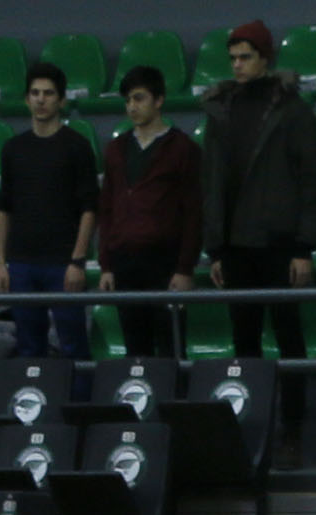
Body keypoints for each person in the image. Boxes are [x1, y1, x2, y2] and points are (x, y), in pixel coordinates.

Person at [199, 22, 316, 399]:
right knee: (244, 345)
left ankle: (291, 428)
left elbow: (311, 183)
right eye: (233, 58)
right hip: (236, 246)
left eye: (245, 57)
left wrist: (304, 247)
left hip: (280, 244)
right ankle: (251, 425)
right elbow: (211, 183)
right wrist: (216, 248)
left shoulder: (293, 112)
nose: (237, 65)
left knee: (289, 339)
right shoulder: (220, 111)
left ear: (265, 59)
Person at [98, 67, 206, 359]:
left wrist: (184, 269)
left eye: (139, 98)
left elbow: (193, 213)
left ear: (159, 100)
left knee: (172, 348)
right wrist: (106, 264)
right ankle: (140, 405)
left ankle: (175, 405)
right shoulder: (116, 149)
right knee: (136, 351)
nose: (132, 107)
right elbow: (107, 208)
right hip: (125, 260)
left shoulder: (183, 148)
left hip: (165, 262)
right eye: (128, 100)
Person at [0, 62, 101, 361]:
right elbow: (4, 207)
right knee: (29, 347)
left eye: (48, 93)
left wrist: (78, 261)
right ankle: (34, 406)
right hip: (22, 263)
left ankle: (77, 406)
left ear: (62, 100)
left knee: (73, 345)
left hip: (62, 263)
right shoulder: (13, 149)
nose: (41, 99)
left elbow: (89, 208)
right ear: (27, 99)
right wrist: (1, 263)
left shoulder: (77, 147)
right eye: (35, 93)